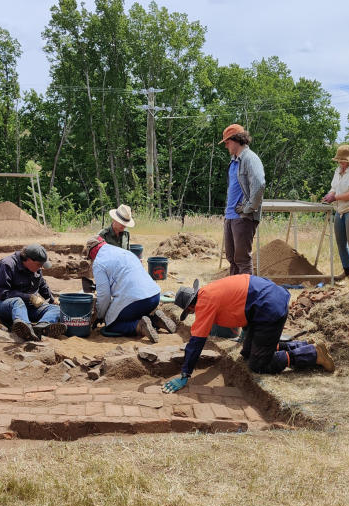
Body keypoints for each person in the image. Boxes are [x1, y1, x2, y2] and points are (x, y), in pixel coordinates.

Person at [163, 274, 334, 392]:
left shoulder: (204, 303)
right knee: (247, 353)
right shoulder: (210, 291)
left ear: (191, 306)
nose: (193, 314)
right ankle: (302, 345)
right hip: (266, 301)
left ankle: (313, 354)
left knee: (258, 364)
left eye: (190, 312)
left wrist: (185, 374)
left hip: (268, 309)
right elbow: (242, 301)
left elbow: (196, 342)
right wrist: (247, 333)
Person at [84, 236, 176, 343]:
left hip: (135, 302)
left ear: (91, 253)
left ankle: (139, 326)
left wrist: (99, 315)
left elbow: (104, 295)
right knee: (128, 312)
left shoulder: (98, 263)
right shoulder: (124, 252)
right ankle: (155, 320)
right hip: (154, 297)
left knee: (111, 323)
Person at [0, 243, 66, 341]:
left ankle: (41, 327)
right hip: (2, 304)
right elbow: (3, 293)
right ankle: (26, 329)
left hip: (27, 306)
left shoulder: (35, 268)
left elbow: (42, 284)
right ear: (28, 259)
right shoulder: (7, 264)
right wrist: (28, 297)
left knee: (55, 309)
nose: (41, 268)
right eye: (39, 265)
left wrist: (52, 300)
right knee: (17, 301)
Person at [220, 124, 265, 275]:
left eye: (227, 141)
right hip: (231, 216)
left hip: (243, 217)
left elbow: (259, 184)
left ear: (237, 140)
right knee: (232, 259)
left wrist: (248, 208)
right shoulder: (234, 160)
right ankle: (234, 295)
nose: (225, 145)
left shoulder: (250, 158)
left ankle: (247, 296)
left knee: (242, 260)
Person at [322, 144, 349, 284]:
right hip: (340, 210)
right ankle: (346, 271)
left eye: (344, 161)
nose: (341, 163)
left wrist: (335, 197)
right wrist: (328, 196)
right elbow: (334, 188)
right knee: (341, 242)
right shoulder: (338, 170)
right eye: (340, 161)